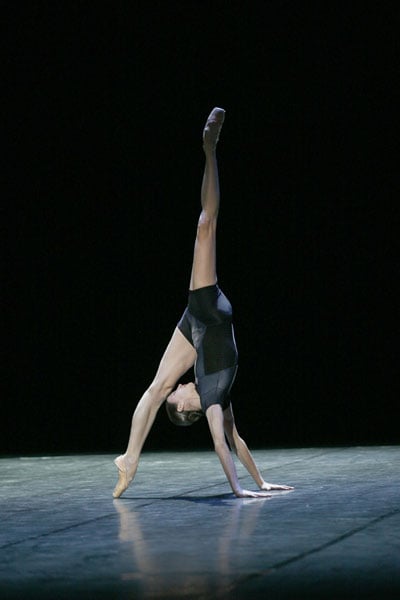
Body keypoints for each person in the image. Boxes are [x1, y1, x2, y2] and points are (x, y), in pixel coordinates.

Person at [113, 107, 293, 499]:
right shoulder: (214, 401)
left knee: (156, 385)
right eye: (177, 398)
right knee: (205, 223)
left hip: (196, 320)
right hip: (206, 308)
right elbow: (225, 443)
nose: (179, 388)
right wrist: (244, 489)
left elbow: (234, 441)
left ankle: (129, 459)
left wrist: (260, 482)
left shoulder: (211, 396)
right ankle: (210, 147)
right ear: (185, 409)